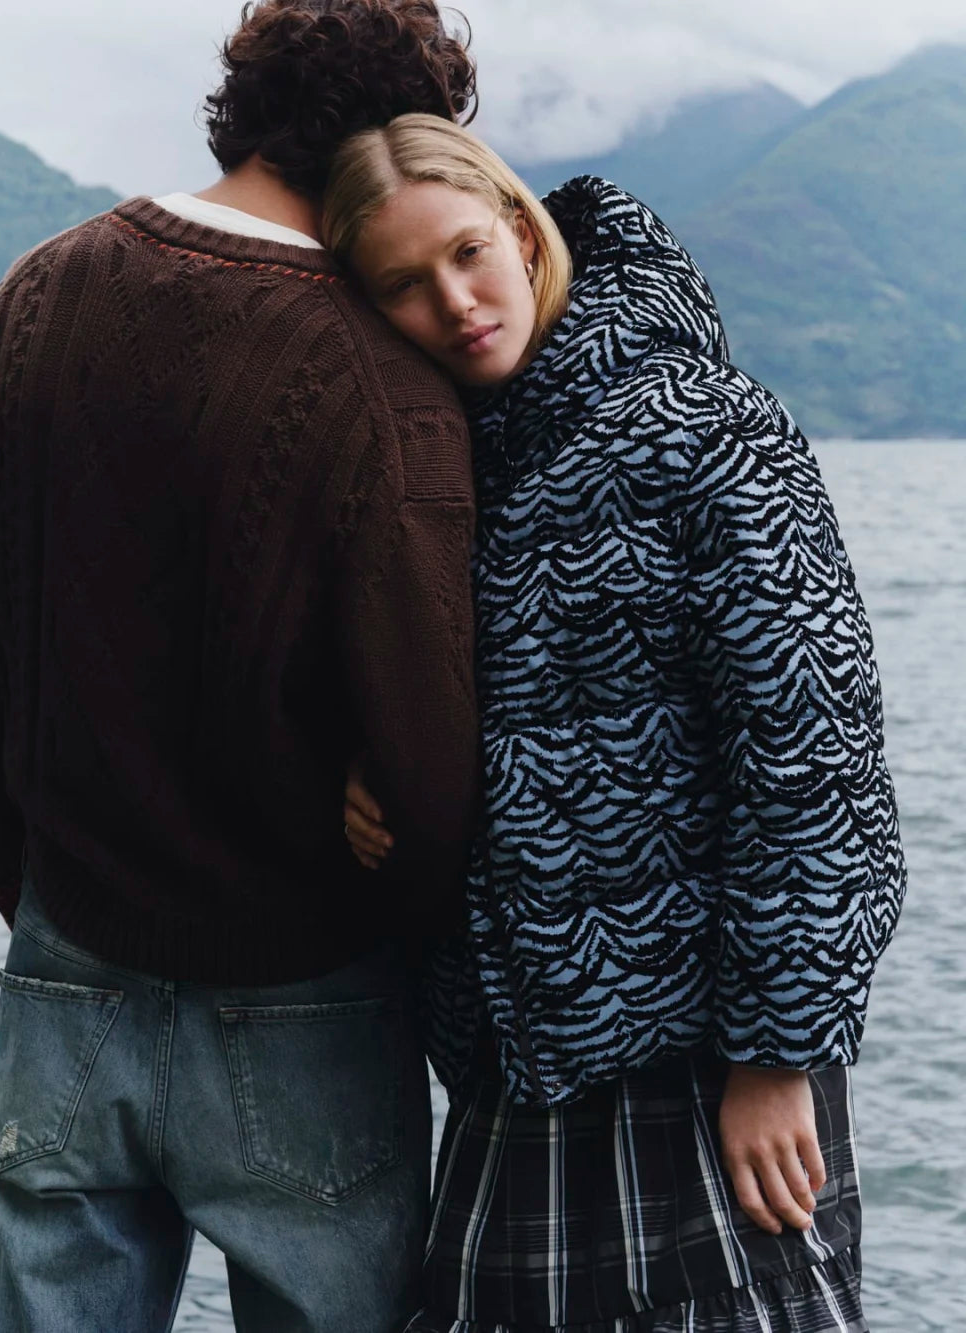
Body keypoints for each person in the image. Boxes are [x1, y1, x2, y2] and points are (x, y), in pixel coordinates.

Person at [327, 114, 907, 1331]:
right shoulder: (440, 468)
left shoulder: (707, 429)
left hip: (703, 1060)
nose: (454, 301)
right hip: (510, 1067)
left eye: (468, 253)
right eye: (404, 285)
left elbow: (815, 759)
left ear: (524, 228)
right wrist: (373, 775)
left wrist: (775, 1054)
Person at [0, 7, 482, 1331]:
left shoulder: (30, 293)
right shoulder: (384, 379)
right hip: (305, 980)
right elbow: (432, 769)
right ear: (388, 146)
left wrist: (22, 874)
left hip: (65, 949)